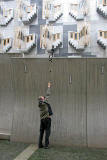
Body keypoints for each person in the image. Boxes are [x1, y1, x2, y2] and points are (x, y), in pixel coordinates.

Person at [38, 82, 53, 149]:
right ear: (42, 99)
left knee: (41, 132)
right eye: (43, 97)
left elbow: (45, 97)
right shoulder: (44, 103)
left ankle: (40, 145)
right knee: (47, 132)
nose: (44, 97)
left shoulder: (40, 105)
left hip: (42, 120)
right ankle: (46, 145)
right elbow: (47, 94)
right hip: (47, 119)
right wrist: (49, 86)